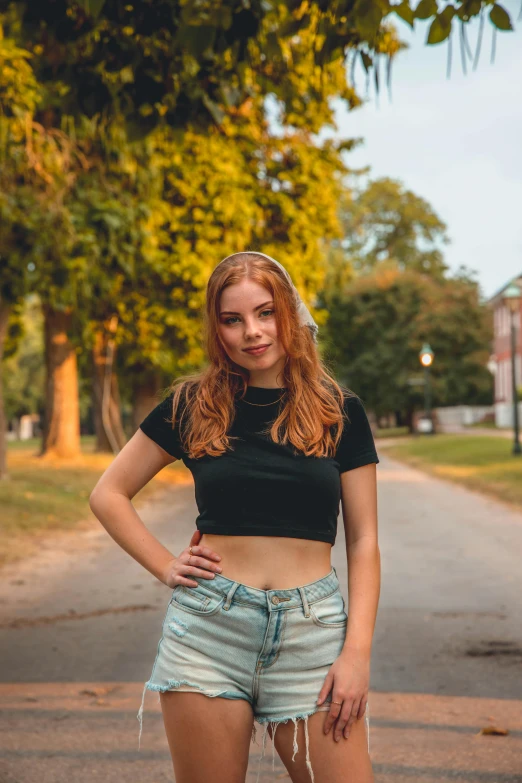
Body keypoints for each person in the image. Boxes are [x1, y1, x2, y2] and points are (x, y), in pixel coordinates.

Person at [89, 250, 380, 783]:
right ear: (216, 328)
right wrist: (165, 565)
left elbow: (363, 541)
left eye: (265, 312)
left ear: (289, 312)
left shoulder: (340, 410)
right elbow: (109, 493)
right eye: (233, 319)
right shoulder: (193, 405)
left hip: (311, 634)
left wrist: (356, 653)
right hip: (208, 630)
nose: (252, 332)